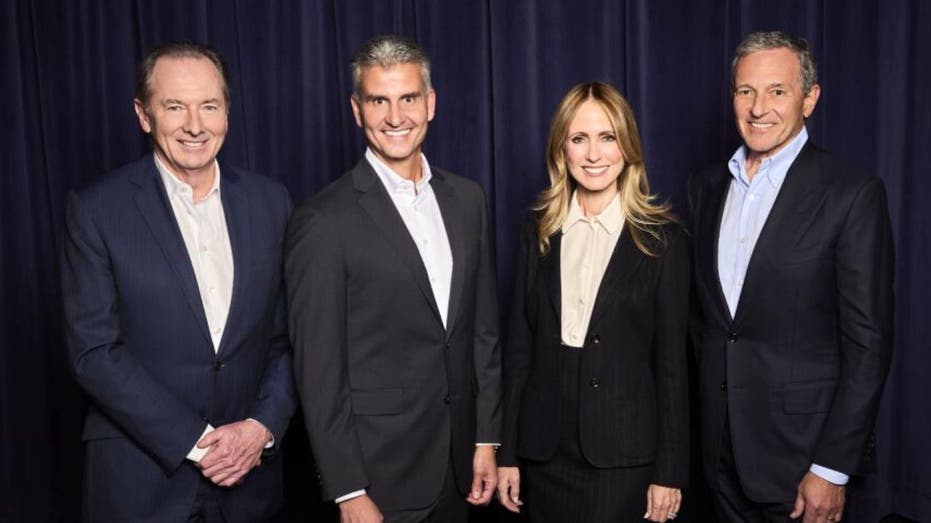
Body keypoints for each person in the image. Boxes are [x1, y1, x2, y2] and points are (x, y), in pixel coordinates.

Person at [61, 42, 296, 522]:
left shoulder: (271, 203)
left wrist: (259, 427)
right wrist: (197, 443)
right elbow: (94, 352)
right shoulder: (95, 210)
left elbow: (292, 336)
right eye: (175, 107)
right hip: (141, 484)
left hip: (250, 485)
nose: (195, 125)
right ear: (144, 115)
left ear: (227, 113)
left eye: (209, 106)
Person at [284, 35, 501, 523]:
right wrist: (347, 490)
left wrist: (486, 438)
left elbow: (482, 332)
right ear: (357, 110)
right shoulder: (322, 220)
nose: (395, 116)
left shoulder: (468, 200)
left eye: (407, 98)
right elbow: (319, 372)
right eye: (378, 100)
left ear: (431, 104)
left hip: (459, 468)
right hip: (378, 480)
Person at [688, 31, 894, 522]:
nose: (759, 108)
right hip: (718, 459)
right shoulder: (705, 186)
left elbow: (869, 343)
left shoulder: (851, 193)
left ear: (810, 99)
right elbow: (707, 324)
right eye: (745, 91)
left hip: (802, 467)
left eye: (777, 91)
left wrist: (832, 468)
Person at [496, 82, 691, 522]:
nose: (594, 154)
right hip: (544, 454)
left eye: (607, 137)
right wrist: (508, 452)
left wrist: (670, 470)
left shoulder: (664, 241)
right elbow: (519, 352)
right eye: (579, 139)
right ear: (561, 149)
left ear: (627, 146)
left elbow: (673, 365)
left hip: (624, 458)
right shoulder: (538, 232)